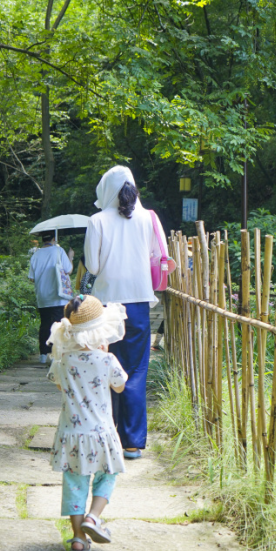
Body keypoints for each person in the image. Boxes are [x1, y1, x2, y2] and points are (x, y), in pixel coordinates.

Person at [84, 166, 165, 459]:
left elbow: (92, 267)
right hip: (139, 305)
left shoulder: (96, 221)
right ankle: (132, 443)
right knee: (136, 371)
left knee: (104, 370)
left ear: (106, 190)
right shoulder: (149, 218)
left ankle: (106, 437)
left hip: (104, 307)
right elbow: (159, 257)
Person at [46, 295, 128, 551]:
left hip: (71, 434)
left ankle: (79, 539)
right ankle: (93, 517)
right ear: (100, 332)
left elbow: (58, 384)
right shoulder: (107, 361)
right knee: (108, 474)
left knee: (74, 483)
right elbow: (120, 386)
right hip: (101, 432)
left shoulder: (63, 361)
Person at [28, 231, 74, 364]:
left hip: (43, 296)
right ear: (54, 238)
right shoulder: (59, 251)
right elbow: (68, 270)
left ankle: (43, 354)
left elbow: (31, 278)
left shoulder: (36, 255)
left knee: (45, 324)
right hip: (59, 295)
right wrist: (70, 257)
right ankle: (59, 354)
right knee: (60, 324)